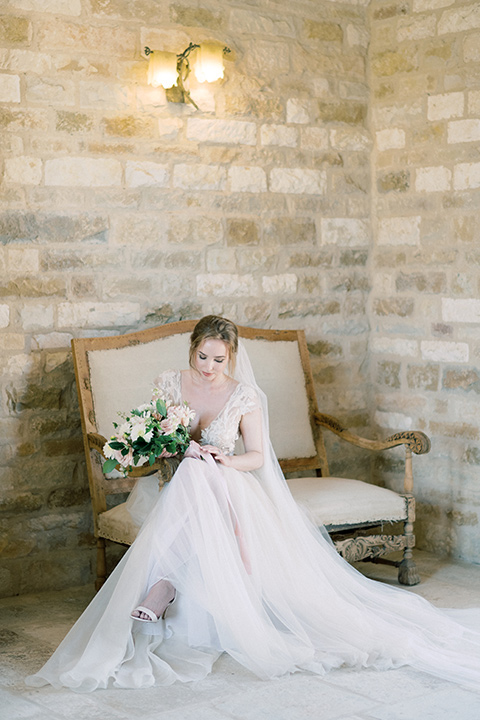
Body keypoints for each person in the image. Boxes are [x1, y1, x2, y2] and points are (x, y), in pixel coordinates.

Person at [26, 316, 480, 692]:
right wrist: (181, 449)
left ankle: (163, 584)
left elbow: (258, 458)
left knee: (206, 470)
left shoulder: (244, 395)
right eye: (201, 357)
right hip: (172, 489)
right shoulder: (169, 384)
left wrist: (223, 457)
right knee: (194, 469)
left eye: (218, 359)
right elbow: (156, 443)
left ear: (233, 357)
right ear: (191, 352)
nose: (208, 367)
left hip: (231, 487)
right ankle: (166, 584)